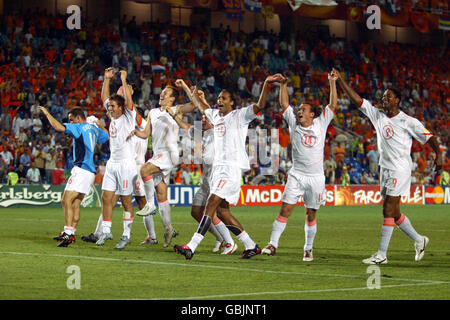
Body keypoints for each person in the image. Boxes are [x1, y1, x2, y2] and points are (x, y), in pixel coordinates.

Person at [334, 67, 442, 264]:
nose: (384, 99)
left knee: (387, 209)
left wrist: (439, 156)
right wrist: (341, 80)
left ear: (397, 100)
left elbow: (430, 138)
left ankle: (382, 255)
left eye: (388, 97)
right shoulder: (378, 116)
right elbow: (357, 100)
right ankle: (420, 240)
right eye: (384, 96)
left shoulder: (408, 121)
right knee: (395, 212)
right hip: (385, 168)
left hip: (400, 169)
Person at [173, 75, 278, 260]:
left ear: (232, 103)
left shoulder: (240, 115)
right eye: (218, 98)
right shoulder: (215, 116)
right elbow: (200, 105)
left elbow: (260, 105)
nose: (219, 101)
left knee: (211, 203)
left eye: (223, 98)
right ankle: (250, 245)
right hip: (217, 170)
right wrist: (189, 90)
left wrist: (267, 85)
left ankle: (192, 245)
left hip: (230, 169)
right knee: (222, 211)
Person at [261, 72, 337, 262]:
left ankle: (308, 248)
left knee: (310, 214)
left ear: (312, 114)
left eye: (303, 109)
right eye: (299, 109)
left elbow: (333, 105)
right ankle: (272, 244)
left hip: (316, 177)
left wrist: (332, 82)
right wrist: (283, 84)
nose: (299, 111)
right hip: (296, 175)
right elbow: (284, 104)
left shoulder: (321, 123)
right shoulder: (294, 123)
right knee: (285, 210)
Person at [165, 83, 236, 254]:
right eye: (202, 119)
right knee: (196, 211)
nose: (203, 120)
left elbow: (207, 111)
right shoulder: (201, 134)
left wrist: (194, 94)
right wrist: (173, 115)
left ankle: (230, 242)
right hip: (207, 182)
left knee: (218, 212)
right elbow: (185, 125)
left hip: (219, 180)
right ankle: (221, 239)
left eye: (206, 119)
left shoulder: (217, 133)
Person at [129, 83, 194, 248]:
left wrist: (187, 88)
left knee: (143, 170)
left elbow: (194, 105)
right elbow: (145, 134)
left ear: (172, 98)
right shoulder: (152, 112)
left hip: (169, 153)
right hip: (158, 154)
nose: (162, 95)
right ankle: (168, 228)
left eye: (166, 93)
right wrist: (136, 132)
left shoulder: (177, 109)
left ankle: (149, 205)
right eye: (162, 92)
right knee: (161, 192)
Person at [40, 106, 108, 247]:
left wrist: (47, 113)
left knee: (66, 200)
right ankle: (71, 231)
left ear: (78, 118)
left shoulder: (80, 127)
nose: (70, 122)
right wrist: (100, 125)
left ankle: (68, 233)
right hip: (90, 173)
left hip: (81, 170)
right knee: (75, 203)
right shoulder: (94, 128)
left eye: (71, 120)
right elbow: (107, 136)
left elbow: (58, 127)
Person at [95, 68, 140, 249]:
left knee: (126, 200)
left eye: (113, 107)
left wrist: (123, 79)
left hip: (126, 164)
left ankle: (126, 234)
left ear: (121, 108)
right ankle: (106, 230)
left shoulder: (129, 116)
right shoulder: (113, 116)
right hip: (112, 162)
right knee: (106, 197)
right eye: (110, 106)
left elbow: (128, 100)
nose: (109, 109)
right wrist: (106, 79)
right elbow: (104, 97)